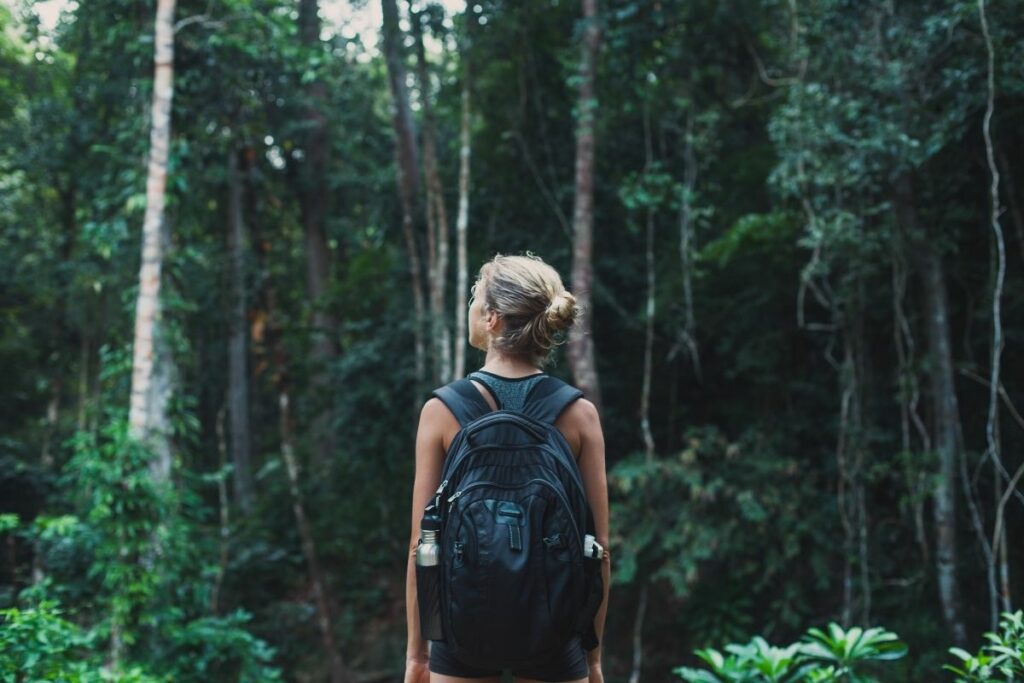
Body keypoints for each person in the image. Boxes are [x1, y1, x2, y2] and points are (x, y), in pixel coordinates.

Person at [404, 253, 610, 683]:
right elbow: (598, 548)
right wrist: (591, 659)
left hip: (462, 633)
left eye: (475, 298)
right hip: (557, 634)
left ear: (493, 318)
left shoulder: (441, 411)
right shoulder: (579, 415)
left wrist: (417, 655)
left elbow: (421, 546)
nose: (470, 307)